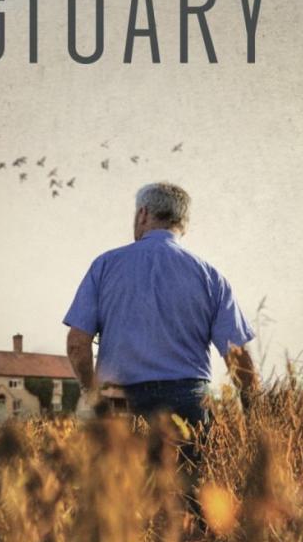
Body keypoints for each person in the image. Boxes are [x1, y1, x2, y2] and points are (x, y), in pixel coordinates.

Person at [64, 182, 258, 429]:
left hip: (120, 406)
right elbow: (238, 358)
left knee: (119, 469)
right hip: (188, 407)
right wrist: (255, 420)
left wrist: (91, 392)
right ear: (182, 224)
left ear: (142, 214)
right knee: (188, 468)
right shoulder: (211, 277)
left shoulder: (104, 266)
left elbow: (77, 344)